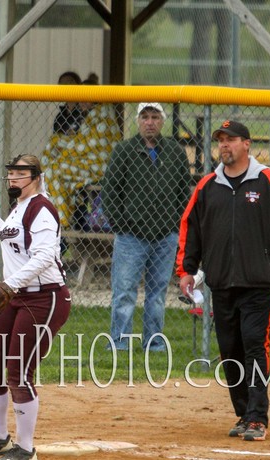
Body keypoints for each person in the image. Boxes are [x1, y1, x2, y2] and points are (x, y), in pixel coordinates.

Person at [176, 119, 270, 442]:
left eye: (232, 139)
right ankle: (243, 412)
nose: (225, 145)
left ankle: (257, 416)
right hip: (222, 282)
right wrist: (187, 270)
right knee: (230, 350)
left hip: (259, 282)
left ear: (247, 144)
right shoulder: (208, 186)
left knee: (254, 342)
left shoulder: (269, 182)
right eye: (221, 140)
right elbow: (190, 230)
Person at [0, 154, 71, 460]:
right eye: (10, 173)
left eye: (20, 173)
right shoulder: (19, 208)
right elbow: (13, 243)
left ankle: (25, 449)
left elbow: (43, 259)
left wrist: (9, 285)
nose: (13, 178)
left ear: (36, 177)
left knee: (18, 370)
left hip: (45, 298)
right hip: (15, 295)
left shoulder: (43, 210)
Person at [100, 103, 192, 353]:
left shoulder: (174, 151)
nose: (150, 122)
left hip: (165, 236)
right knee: (125, 292)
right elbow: (110, 192)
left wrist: (175, 224)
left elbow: (185, 192)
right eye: (145, 117)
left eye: (154, 117)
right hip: (131, 236)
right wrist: (121, 224)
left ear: (162, 121)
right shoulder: (124, 151)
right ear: (138, 121)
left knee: (157, 293)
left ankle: (154, 341)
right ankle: (120, 342)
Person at [41, 74, 121, 230]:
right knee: (53, 144)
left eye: (86, 97)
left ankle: (61, 220)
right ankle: (51, 209)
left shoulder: (102, 112)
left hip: (100, 166)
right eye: (80, 97)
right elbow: (79, 143)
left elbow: (86, 145)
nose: (82, 101)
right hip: (85, 162)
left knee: (55, 170)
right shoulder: (89, 114)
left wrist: (60, 160)